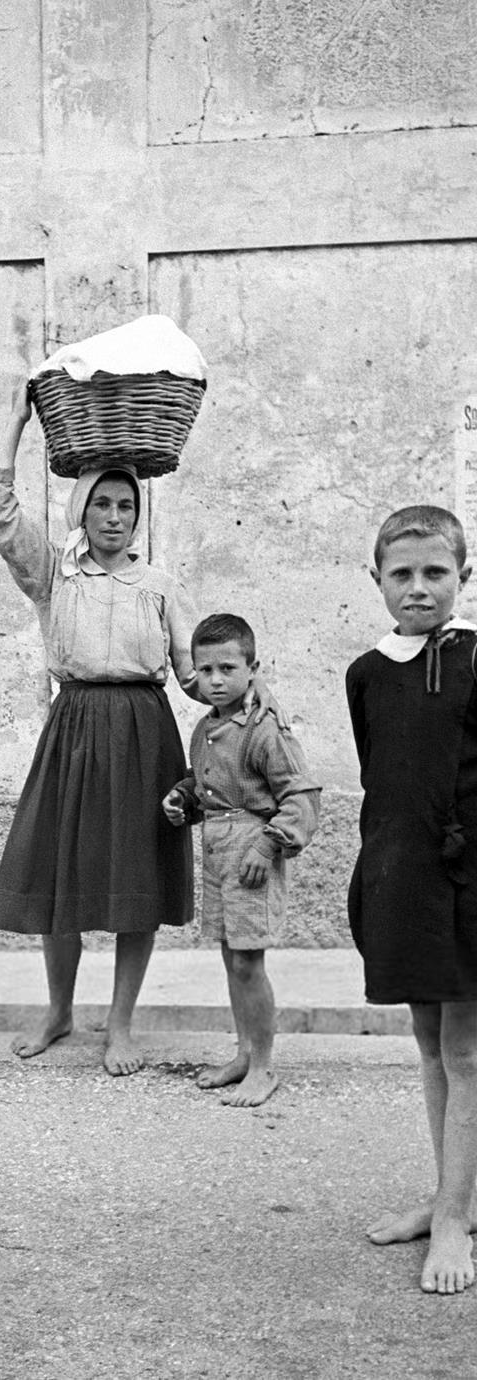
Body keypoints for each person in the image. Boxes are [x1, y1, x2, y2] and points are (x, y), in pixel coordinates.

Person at [0, 386, 284, 1076]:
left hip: (144, 735)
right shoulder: (53, 574)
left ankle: (120, 1025)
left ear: (137, 515)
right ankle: (60, 1011)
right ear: (80, 509)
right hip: (73, 732)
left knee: (134, 882)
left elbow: (192, 672)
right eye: (102, 503)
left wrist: (250, 699)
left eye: (126, 505)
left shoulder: (159, 584)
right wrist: (15, 423)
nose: (115, 516)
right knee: (60, 878)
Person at [346, 503, 477, 1295]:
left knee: (466, 1054)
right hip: (402, 877)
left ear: (464, 575)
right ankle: (448, 1196)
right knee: (430, 1050)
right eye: (403, 574)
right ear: (378, 582)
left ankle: (458, 1221)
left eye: (436, 572)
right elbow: (381, 776)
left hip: (469, 883)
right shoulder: (366, 672)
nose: (419, 589)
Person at [162, 614, 320, 1107]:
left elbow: (302, 797)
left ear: (254, 668)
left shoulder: (265, 729)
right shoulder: (206, 727)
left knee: (250, 962)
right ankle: (244, 1054)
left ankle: (265, 1066)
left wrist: (268, 845)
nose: (215, 680)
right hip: (217, 850)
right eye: (205, 669)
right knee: (232, 958)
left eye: (228, 668)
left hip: (253, 852)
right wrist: (182, 798)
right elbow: (207, 781)